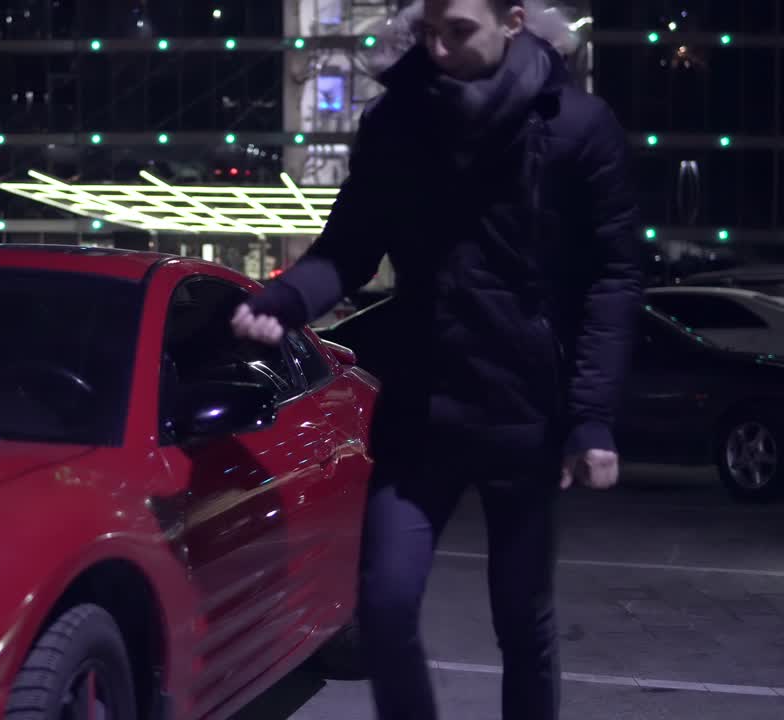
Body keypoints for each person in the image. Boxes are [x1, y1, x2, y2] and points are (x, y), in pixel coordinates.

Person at [231, 1, 642, 719]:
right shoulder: (397, 123)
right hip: (423, 408)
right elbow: (349, 247)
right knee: (384, 609)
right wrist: (285, 301)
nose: (440, 50)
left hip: (526, 413)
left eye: (459, 31)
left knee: (524, 623)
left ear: (512, 21)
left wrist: (591, 419)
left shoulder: (576, 125)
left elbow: (614, 274)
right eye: (429, 33)